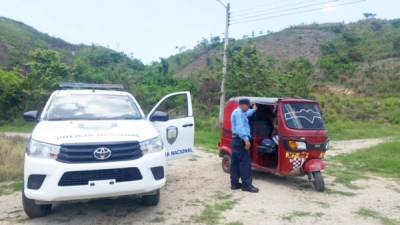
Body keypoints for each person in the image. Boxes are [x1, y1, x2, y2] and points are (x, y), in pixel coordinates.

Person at [230, 98, 259, 193]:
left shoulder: (240, 112)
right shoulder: (238, 114)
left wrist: (254, 110)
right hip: (240, 140)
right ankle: (246, 185)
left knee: (235, 163)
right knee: (245, 163)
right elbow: (240, 129)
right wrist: (246, 141)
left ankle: (234, 184)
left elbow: (247, 113)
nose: (249, 107)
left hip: (236, 141)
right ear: (243, 105)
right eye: (248, 106)